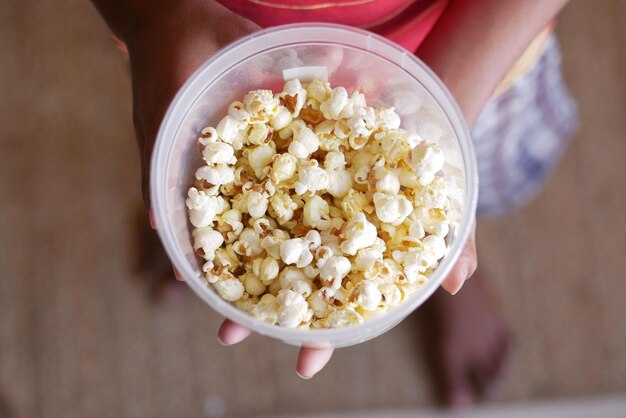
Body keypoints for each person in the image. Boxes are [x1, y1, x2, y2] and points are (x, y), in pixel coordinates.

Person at [93, 0, 577, 407]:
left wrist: (441, 104)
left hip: (473, 53)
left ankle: (442, 272)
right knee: (177, 148)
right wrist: (153, 17)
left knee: (458, 179)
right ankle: (194, 212)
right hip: (211, 55)